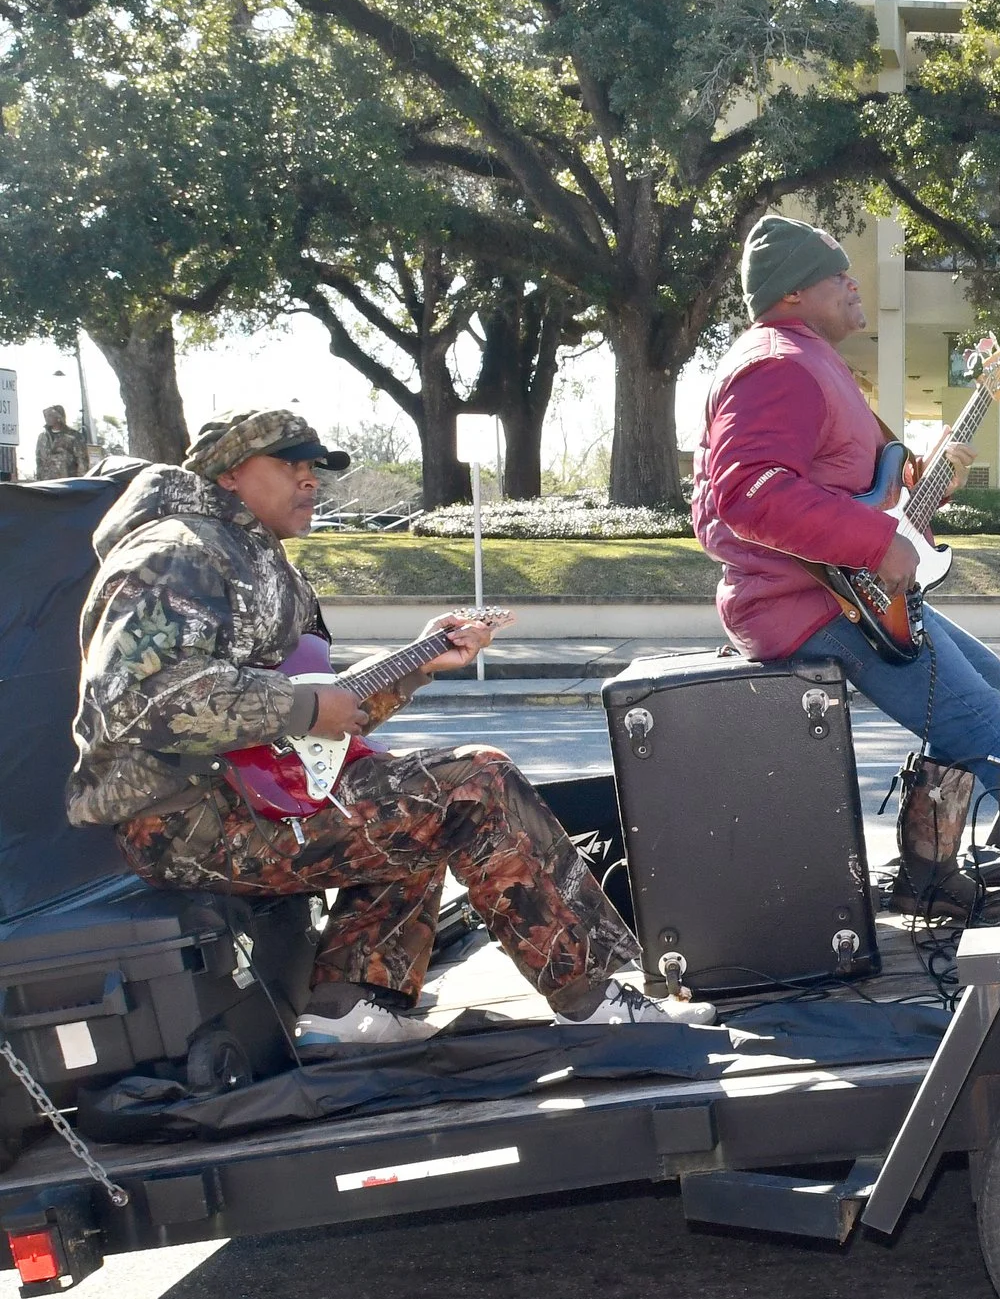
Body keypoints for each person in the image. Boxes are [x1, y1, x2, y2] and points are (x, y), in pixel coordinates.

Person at [67, 410, 712, 1044]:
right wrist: (306, 709)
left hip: (242, 804)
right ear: (230, 474)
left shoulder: (258, 560)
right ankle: (595, 994)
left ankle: (353, 1003)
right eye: (290, 465)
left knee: (403, 791)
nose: (310, 479)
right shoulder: (176, 553)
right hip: (187, 822)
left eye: (314, 467)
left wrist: (419, 661)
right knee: (475, 783)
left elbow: (317, 716)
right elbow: (131, 699)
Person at [691, 214, 1000, 904]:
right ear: (792, 293)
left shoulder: (805, 359)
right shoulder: (776, 365)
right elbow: (748, 493)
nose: (854, 282)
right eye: (836, 272)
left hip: (840, 592)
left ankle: (928, 872)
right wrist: (880, 543)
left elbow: (853, 496)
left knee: (986, 676)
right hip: (814, 604)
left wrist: (925, 487)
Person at [34, 405, 86, 481]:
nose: (47, 418)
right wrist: (39, 479)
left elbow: (82, 460)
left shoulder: (73, 436)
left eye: (50, 415)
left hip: (67, 483)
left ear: (59, 417)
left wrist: (81, 482)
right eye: (46, 416)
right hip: (46, 483)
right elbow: (39, 459)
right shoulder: (42, 437)